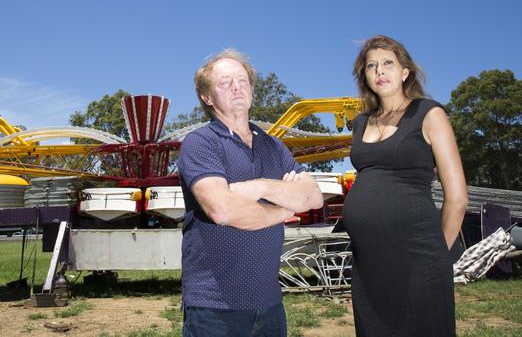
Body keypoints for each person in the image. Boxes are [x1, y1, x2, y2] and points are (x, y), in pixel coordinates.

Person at [178, 48, 324, 337]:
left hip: (270, 306)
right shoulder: (200, 144)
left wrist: (262, 186)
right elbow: (223, 210)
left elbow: (313, 196)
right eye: (225, 82)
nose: (236, 87)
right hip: (214, 308)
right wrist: (284, 208)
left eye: (242, 80)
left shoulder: (273, 146)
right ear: (207, 97)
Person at [344, 35, 468, 336]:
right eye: (371, 65)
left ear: (405, 72)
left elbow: (457, 198)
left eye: (388, 63)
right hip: (369, 261)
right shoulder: (361, 123)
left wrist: (437, 253)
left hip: (418, 258)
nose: (379, 71)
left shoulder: (429, 114)